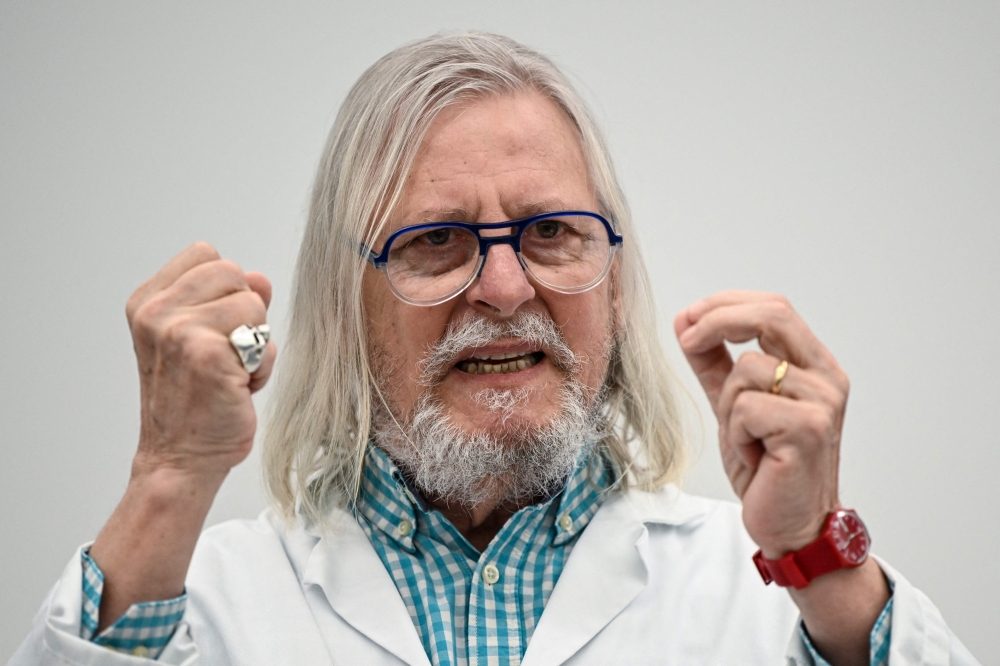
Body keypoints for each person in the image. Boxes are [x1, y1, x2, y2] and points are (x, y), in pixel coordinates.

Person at [10, 32, 977, 666]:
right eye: (436, 241)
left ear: (617, 280)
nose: (506, 290)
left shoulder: (774, 600)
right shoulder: (200, 608)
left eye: (552, 233)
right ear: (344, 305)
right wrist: (170, 476)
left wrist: (818, 555)